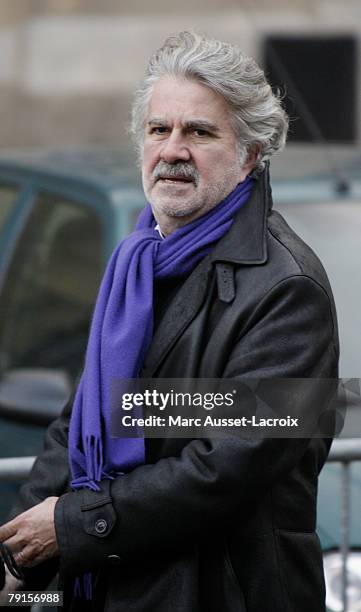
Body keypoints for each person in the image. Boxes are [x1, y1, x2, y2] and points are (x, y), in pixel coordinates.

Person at [0, 31, 338, 612]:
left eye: (200, 132)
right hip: (110, 583)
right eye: (160, 129)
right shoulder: (137, 261)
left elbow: (228, 465)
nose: (173, 149)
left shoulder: (289, 288)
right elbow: (85, 414)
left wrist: (73, 525)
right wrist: (18, 553)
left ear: (249, 155)